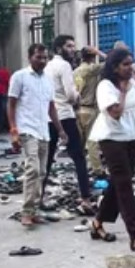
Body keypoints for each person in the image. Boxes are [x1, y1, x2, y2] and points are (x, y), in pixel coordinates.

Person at [89, 48, 135, 256]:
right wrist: (122, 92)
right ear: (114, 67)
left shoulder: (132, 84)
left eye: (131, 63)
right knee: (125, 185)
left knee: (119, 183)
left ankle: (97, 221)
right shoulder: (105, 86)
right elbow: (115, 113)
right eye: (125, 64)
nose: (130, 67)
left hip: (131, 137)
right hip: (111, 138)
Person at [8, 43, 67, 227]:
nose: (42, 61)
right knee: (32, 169)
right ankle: (26, 212)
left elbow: (51, 107)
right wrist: (13, 130)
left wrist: (60, 129)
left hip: (43, 131)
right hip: (27, 129)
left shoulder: (48, 80)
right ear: (30, 58)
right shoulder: (20, 77)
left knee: (41, 173)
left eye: (45, 57)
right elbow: (11, 104)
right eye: (38, 57)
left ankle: (34, 211)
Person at [43, 34, 93, 209]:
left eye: (73, 46)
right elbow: (71, 95)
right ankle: (86, 198)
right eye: (69, 46)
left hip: (49, 117)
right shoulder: (64, 65)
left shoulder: (47, 66)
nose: (73, 50)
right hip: (65, 115)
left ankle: (38, 198)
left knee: (47, 159)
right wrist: (78, 97)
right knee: (79, 157)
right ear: (59, 49)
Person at [74, 46, 106, 174]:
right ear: (92, 57)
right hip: (90, 109)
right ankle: (98, 170)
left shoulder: (75, 71)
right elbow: (111, 61)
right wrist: (98, 51)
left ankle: (80, 169)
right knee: (92, 142)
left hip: (78, 109)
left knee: (79, 144)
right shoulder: (91, 69)